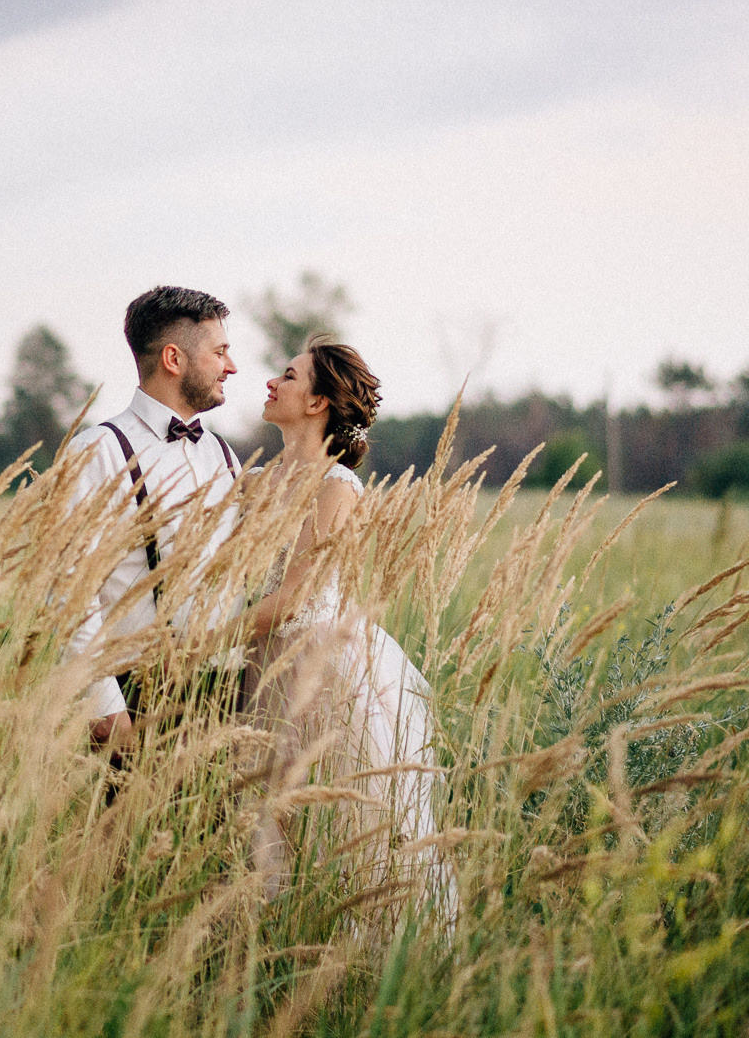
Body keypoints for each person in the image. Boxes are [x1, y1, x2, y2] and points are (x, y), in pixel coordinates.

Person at [243, 336, 458, 932]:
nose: (271, 383)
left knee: (341, 821)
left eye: (287, 376)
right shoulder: (257, 481)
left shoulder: (335, 487)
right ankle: (260, 940)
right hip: (259, 663)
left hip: (318, 671)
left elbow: (294, 598)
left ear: (316, 403)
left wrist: (205, 634)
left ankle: (360, 953)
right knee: (260, 813)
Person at [60, 285, 242, 749]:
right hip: (135, 701)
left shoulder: (223, 454)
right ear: (173, 359)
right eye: (220, 352)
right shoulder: (98, 451)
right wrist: (104, 708)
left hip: (224, 696)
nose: (232, 366)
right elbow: (67, 589)